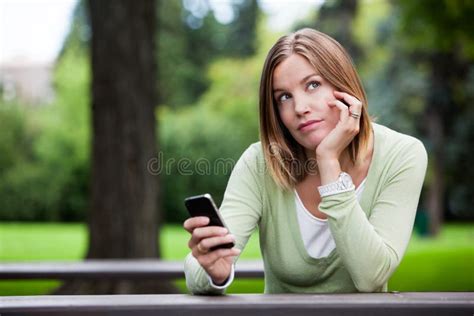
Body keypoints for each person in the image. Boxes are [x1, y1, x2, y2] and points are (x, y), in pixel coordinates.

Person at [183, 28, 427, 294]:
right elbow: (199, 273)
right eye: (284, 97)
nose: (300, 107)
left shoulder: (402, 155)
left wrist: (328, 162)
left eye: (313, 85)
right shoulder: (260, 162)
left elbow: (371, 277)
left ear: (343, 85)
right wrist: (214, 272)